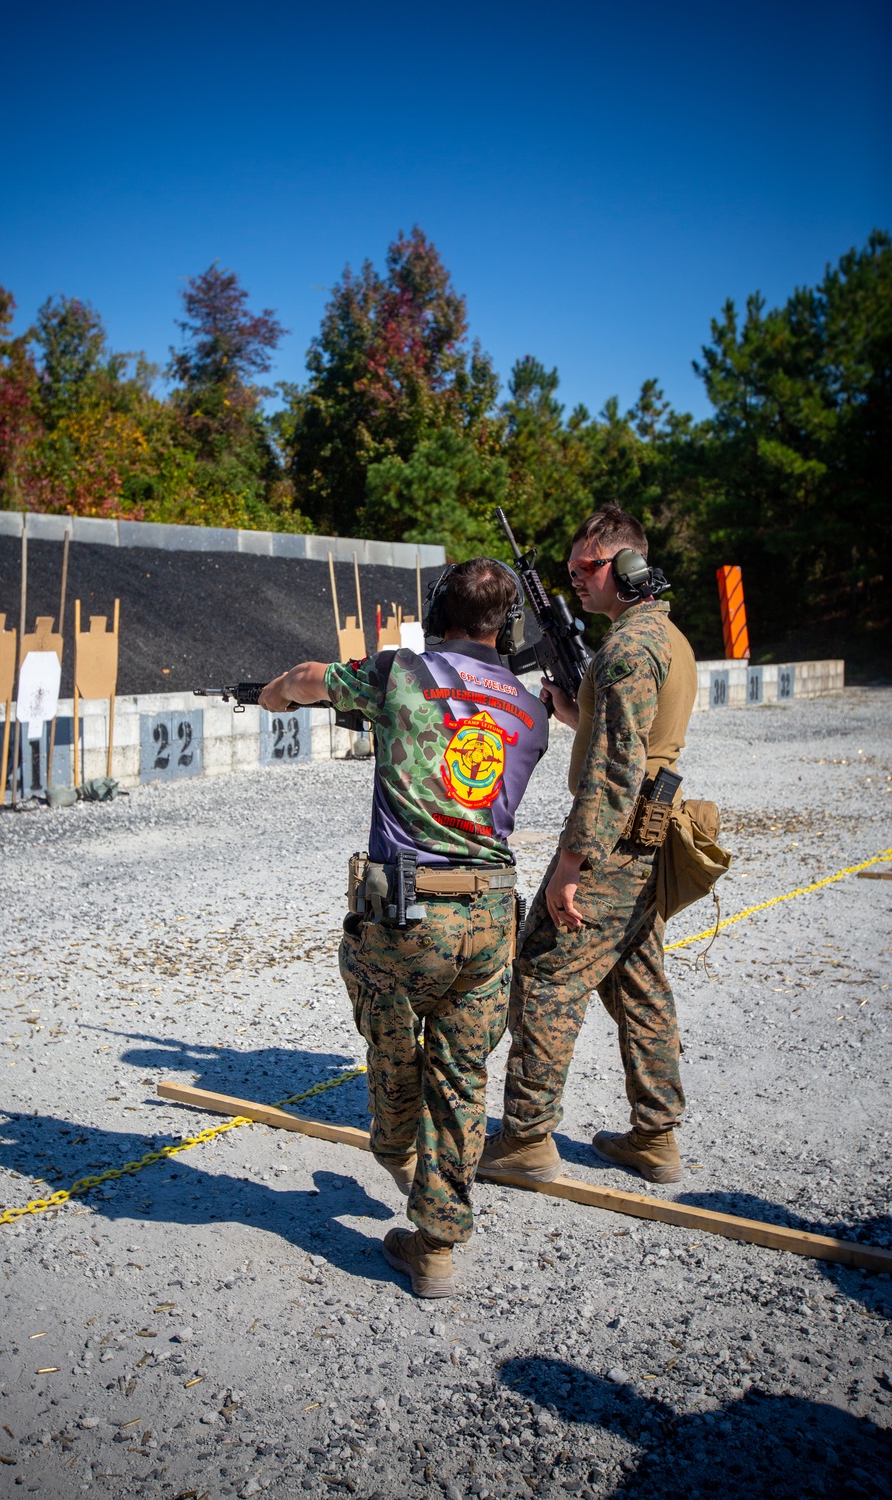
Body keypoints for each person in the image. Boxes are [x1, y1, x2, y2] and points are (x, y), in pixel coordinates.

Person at [259, 559, 549, 1297]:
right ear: (504, 626)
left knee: (392, 1039)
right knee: (461, 1073)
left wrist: (271, 696)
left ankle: (396, 1147)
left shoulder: (400, 673)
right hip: (491, 910)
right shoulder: (529, 706)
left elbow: (308, 679)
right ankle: (436, 1247)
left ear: (435, 612)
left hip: (407, 905)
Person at [478, 505, 697, 1188]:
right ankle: (656, 1135)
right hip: (645, 837)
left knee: (544, 973)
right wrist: (578, 713)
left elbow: (614, 769)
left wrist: (571, 865)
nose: (574, 579)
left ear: (627, 567)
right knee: (638, 983)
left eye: (587, 568)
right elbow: (627, 737)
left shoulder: (629, 650)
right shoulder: (661, 637)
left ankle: (526, 1140)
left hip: (613, 841)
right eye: (570, 569)